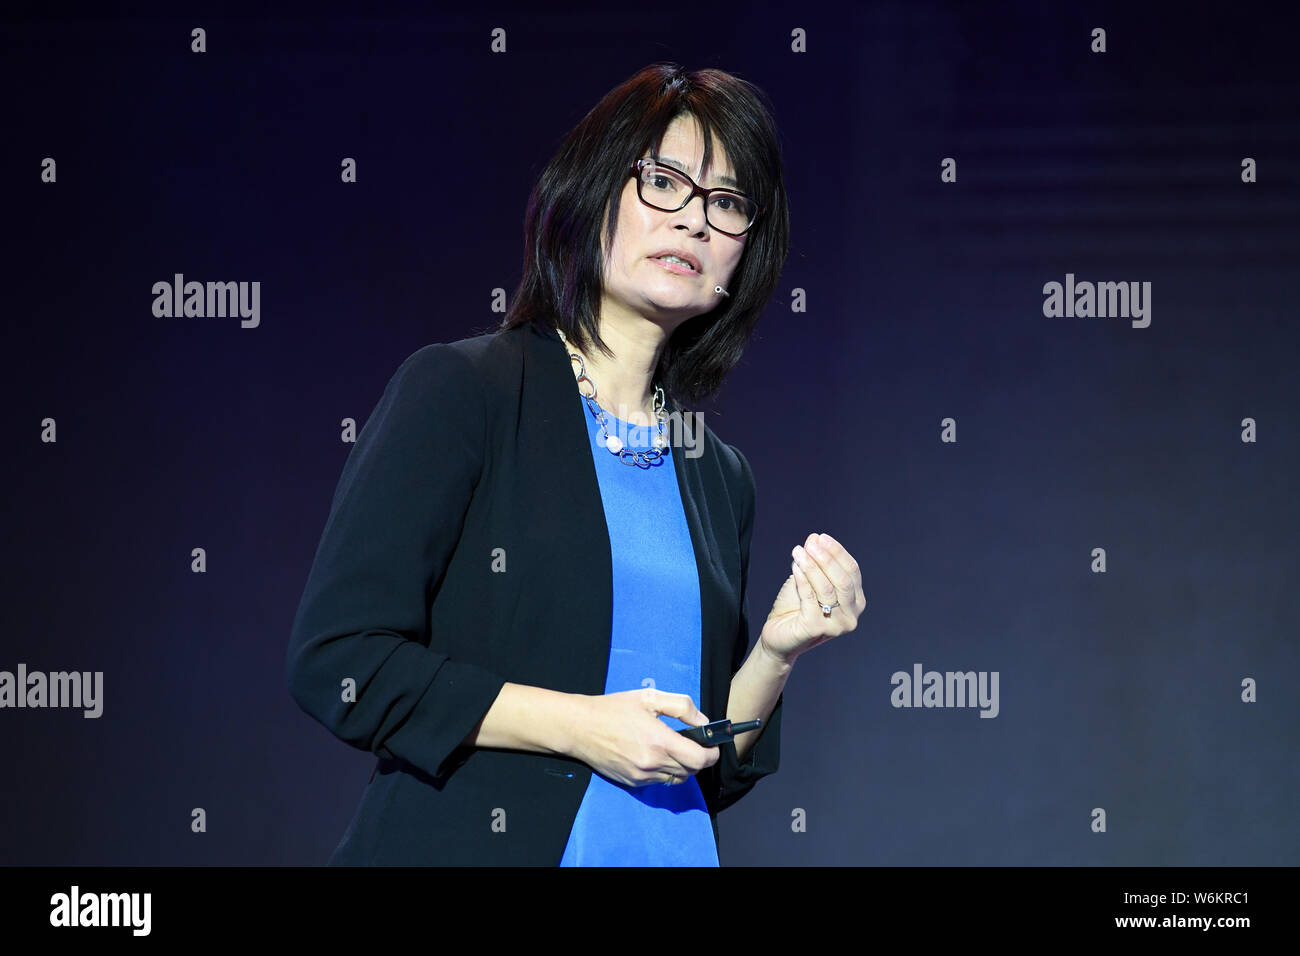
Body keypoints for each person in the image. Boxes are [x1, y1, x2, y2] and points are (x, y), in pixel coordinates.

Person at [285, 62, 865, 866]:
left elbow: (706, 765)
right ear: (592, 192)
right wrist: (581, 726)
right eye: (666, 182)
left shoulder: (718, 476)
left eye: (727, 204)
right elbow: (339, 661)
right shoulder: (467, 391)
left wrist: (774, 654)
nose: (696, 222)